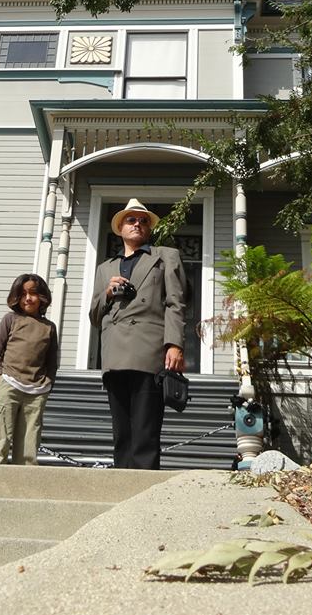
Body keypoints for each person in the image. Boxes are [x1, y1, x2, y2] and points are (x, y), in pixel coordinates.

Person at [89, 199, 187, 470]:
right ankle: (121, 488)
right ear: (120, 227)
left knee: (145, 431)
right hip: (115, 355)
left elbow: (175, 303)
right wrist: (108, 293)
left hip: (149, 351)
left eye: (143, 221)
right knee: (121, 433)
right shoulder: (105, 268)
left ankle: (144, 492)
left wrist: (174, 345)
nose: (138, 224)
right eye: (131, 220)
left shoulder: (164, 256)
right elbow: (94, 316)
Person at [0, 274, 59, 466]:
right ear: (16, 297)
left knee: (28, 445)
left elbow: (52, 360)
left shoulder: (49, 327)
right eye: (23, 294)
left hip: (36, 392)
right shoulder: (11, 320)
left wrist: (48, 383)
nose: (28, 298)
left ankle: (23, 486)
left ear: (42, 297)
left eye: (33, 293)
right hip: (9, 385)